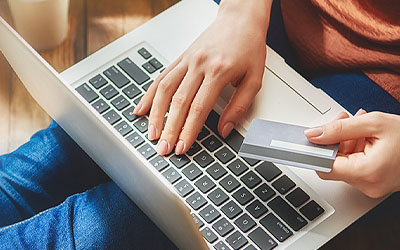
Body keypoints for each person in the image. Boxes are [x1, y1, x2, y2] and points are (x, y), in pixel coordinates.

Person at [0, 0, 399, 249]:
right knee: (59, 154)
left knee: (121, 222)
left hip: (386, 93)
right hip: (276, 12)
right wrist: (242, 10)